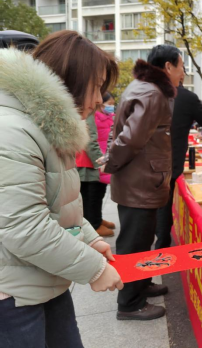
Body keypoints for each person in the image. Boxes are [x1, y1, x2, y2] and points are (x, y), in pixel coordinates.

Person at [0, 30, 122, 347]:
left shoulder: (44, 126)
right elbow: (24, 228)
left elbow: (60, 206)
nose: (100, 99)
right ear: (71, 79)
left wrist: (91, 239)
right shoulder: (11, 130)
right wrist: (94, 270)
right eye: (97, 86)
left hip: (42, 277)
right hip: (12, 296)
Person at [104, 44, 183, 320]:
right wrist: (111, 162)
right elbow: (130, 139)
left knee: (142, 238)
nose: (183, 73)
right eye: (181, 67)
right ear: (168, 67)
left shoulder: (145, 88)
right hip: (140, 181)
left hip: (140, 179)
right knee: (134, 243)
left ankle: (142, 284)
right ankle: (129, 303)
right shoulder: (152, 93)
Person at [154, 70, 202, 250]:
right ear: (170, 68)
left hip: (147, 162)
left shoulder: (147, 91)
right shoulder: (184, 96)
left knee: (152, 208)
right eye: (181, 67)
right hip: (169, 162)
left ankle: (157, 244)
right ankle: (161, 246)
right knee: (163, 205)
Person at [76, 92, 117, 237]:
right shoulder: (90, 114)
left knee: (99, 193)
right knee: (91, 195)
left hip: (99, 158)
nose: (111, 107)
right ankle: (93, 224)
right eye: (109, 104)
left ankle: (97, 219)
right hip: (89, 162)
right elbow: (90, 141)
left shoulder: (106, 116)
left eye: (112, 104)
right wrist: (100, 162)